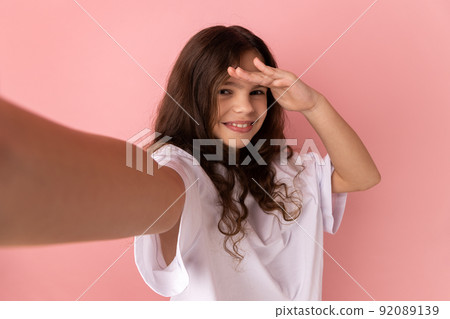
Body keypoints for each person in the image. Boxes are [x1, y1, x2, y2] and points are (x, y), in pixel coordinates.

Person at [0, 25, 380, 301]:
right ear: (195, 95)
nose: (245, 107)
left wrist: (313, 104)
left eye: (257, 92)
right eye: (225, 90)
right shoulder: (180, 167)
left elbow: (362, 176)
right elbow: (154, 192)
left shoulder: (284, 167)